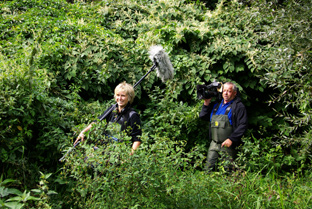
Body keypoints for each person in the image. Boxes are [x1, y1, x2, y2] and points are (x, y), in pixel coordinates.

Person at [74, 81, 142, 155]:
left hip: (120, 153)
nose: (120, 98)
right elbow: (97, 122)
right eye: (118, 95)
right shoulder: (112, 109)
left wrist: (128, 157)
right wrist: (83, 132)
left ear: (129, 97)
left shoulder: (132, 115)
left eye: (123, 96)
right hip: (106, 149)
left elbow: (137, 140)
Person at [199, 82, 247, 171]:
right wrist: (206, 103)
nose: (225, 93)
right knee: (208, 169)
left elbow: (242, 126)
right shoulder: (216, 105)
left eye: (229, 91)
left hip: (228, 144)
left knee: (228, 170)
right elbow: (203, 116)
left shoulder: (238, 106)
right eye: (224, 91)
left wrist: (231, 139)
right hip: (214, 143)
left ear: (234, 93)